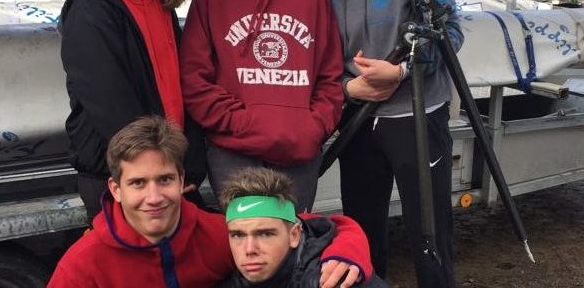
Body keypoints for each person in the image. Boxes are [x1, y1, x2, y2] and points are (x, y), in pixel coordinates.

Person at [319, 0, 464, 286]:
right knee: (361, 233)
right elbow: (320, 62)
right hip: (358, 120)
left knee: (429, 233)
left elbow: (452, 30)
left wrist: (401, 71)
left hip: (416, 115)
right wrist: (347, 89)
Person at [47, 116, 374, 288]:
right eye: (138, 183)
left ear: (182, 180)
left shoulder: (220, 233)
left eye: (164, 179)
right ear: (116, 189)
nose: (154, 197)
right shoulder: (83, 266)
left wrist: (348, 252)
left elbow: (319, 229)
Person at [179, 0, 344, 212]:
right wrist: (243, 123)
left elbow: (330, 75)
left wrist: (311, 127)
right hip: (235, 153)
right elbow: (195, 80)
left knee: (293, 238)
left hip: (298, 153)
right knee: (248, 242)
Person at [59, 0, 205, 221]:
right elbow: (109, 102)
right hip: (124, 176)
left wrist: (191, 160)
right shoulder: (91, 7)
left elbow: (181, 85)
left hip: (168, 170)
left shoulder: (161, 3)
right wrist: (157, 170)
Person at [217, 167, 389, 287]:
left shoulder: (335, 278)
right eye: (238, 235)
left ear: (294, 235)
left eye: (265, 234)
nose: (249, 249)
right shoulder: (231, 281)